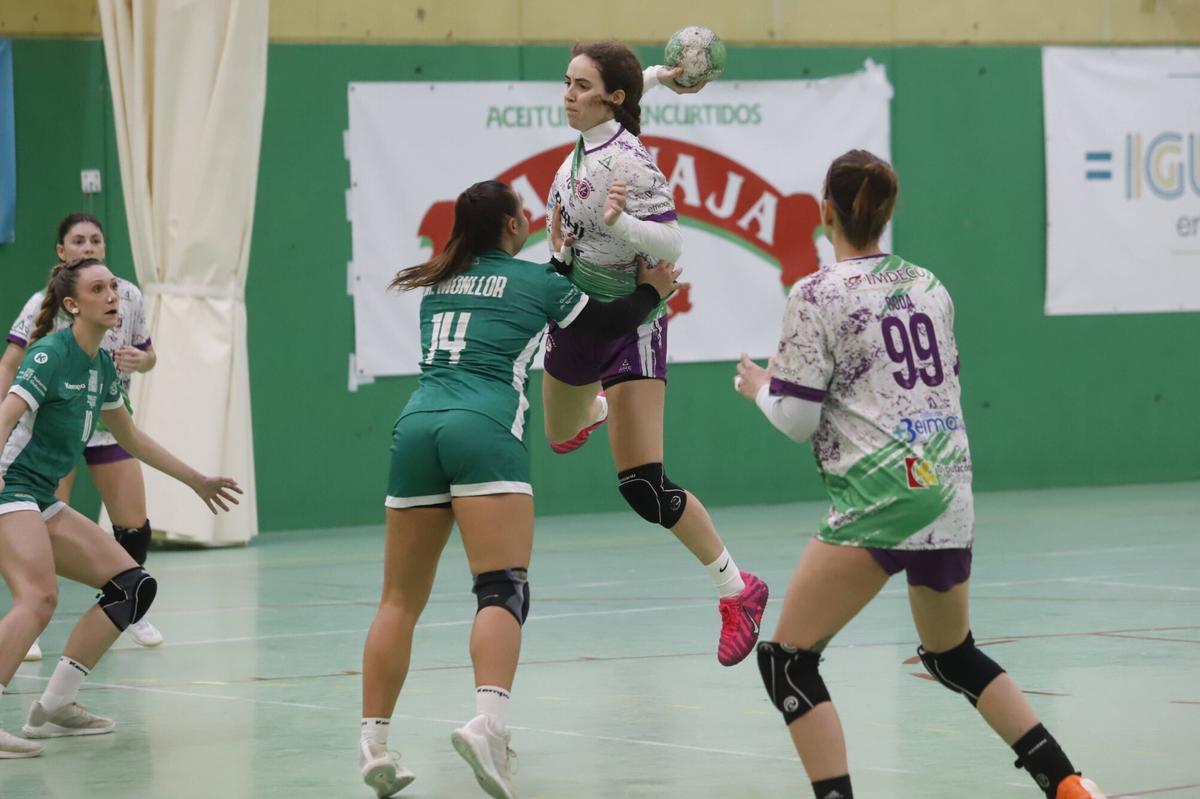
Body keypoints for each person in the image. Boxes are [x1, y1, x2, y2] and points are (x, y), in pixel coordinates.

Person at [734, 149, 1106, 799]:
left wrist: (761, 388)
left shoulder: (817, 292)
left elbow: (795, 419)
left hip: (886, 492)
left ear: (825, 213)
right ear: (887, 212)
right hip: (949, 483)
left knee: (787, 662)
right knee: (952, 653)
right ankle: (1067, 783)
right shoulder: (929, 285)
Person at [359, 180, 683, 799]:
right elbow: (600, 329)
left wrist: (559, 260)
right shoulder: (535, 284)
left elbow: (507, 293)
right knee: (501, 588)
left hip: (415, 429)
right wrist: (652, 290)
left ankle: (373, 743)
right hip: (483, 430)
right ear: (512, 225)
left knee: (398, 601)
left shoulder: (438, 281)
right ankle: (490, 727)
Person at [543, 40, 767, 667]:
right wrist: (662, 76)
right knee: (560, 435)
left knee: (643, 487)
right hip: (577, 312)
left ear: (611, 99)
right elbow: (626, 88)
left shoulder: (632, 165)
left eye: (582, 86)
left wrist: (620, 228)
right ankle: (591, 409)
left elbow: (670, 240)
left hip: (633, 318)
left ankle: (736, 588)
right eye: (567, 82)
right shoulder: (583, 149)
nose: (568, 95)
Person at [0, 257, 241, 758]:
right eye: (98, 289)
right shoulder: (49, 355)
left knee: (133, 586)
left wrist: (197, 480)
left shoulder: (102, 366)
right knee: (38, 598)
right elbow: (6, 415)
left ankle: (54, 707)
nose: (112, 295)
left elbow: (131, 437)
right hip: (9, 486)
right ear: (72, 305)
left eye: (113, 286)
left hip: (40, 495)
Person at [0, 213, 163, 658]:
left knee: (133, 527)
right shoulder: (45, 319)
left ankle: (129, 604)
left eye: (96, 239)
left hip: (105, 421)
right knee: (47, 538)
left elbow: (149, 357)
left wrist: (140, 361)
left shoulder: (126, 298)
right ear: (62, 252)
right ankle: (29, 612)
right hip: (54, 431)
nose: (88, 245)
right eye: (78, 240)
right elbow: (12, 365)